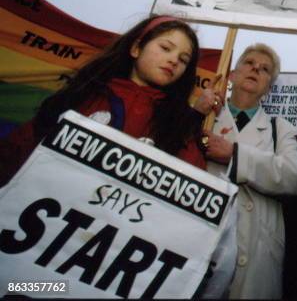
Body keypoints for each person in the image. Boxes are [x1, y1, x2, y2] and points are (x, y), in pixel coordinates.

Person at [0, 15, 216, 186]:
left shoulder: (179, 127)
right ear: (136, 48)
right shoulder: (83, 94)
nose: (173, 60)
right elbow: (20, 151)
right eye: (166, 48)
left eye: (183, 60)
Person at [193, 43, 297, 299]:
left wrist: (235, 156)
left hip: (255, 254)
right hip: (201, 239)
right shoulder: (203, 116)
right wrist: (194, 114)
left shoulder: (281, 129)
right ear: (232, 74)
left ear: (269, 86)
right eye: (249, 63)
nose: (255, 69)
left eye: (264, 69)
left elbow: (294, 178)